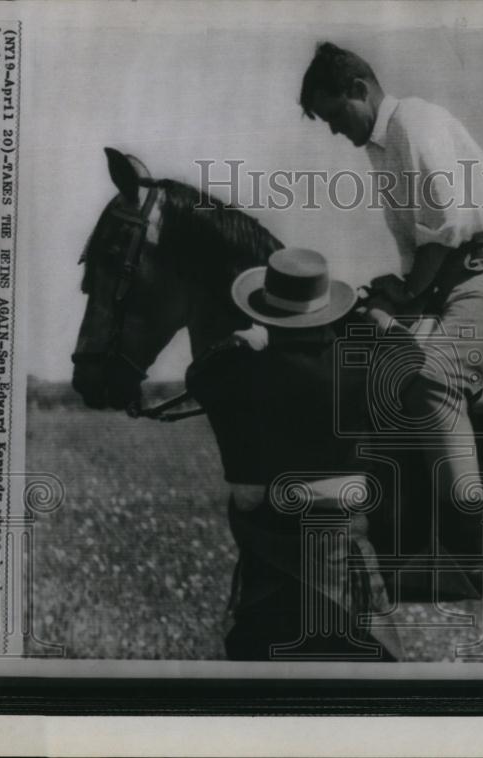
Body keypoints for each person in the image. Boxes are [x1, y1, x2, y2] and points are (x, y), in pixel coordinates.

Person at [299, 42, 483, 512]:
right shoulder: (381, 145)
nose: (333, 130)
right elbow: (423, 245)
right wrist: (397, 291)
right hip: (449, 274)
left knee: (434, 378)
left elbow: (444, 226)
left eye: (334, 116)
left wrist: (410, 290)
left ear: (358, 89)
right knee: (354, 343)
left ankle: (469, 522)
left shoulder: (413, 122)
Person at [188, 246, 399, 660]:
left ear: (265, 313)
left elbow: (199, 376)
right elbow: (412, 356)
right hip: (342, 548)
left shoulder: (240, 372)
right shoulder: (362, 363)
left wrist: (235, 342)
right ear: (326, 310)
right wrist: (377, 319)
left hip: (270, 551)